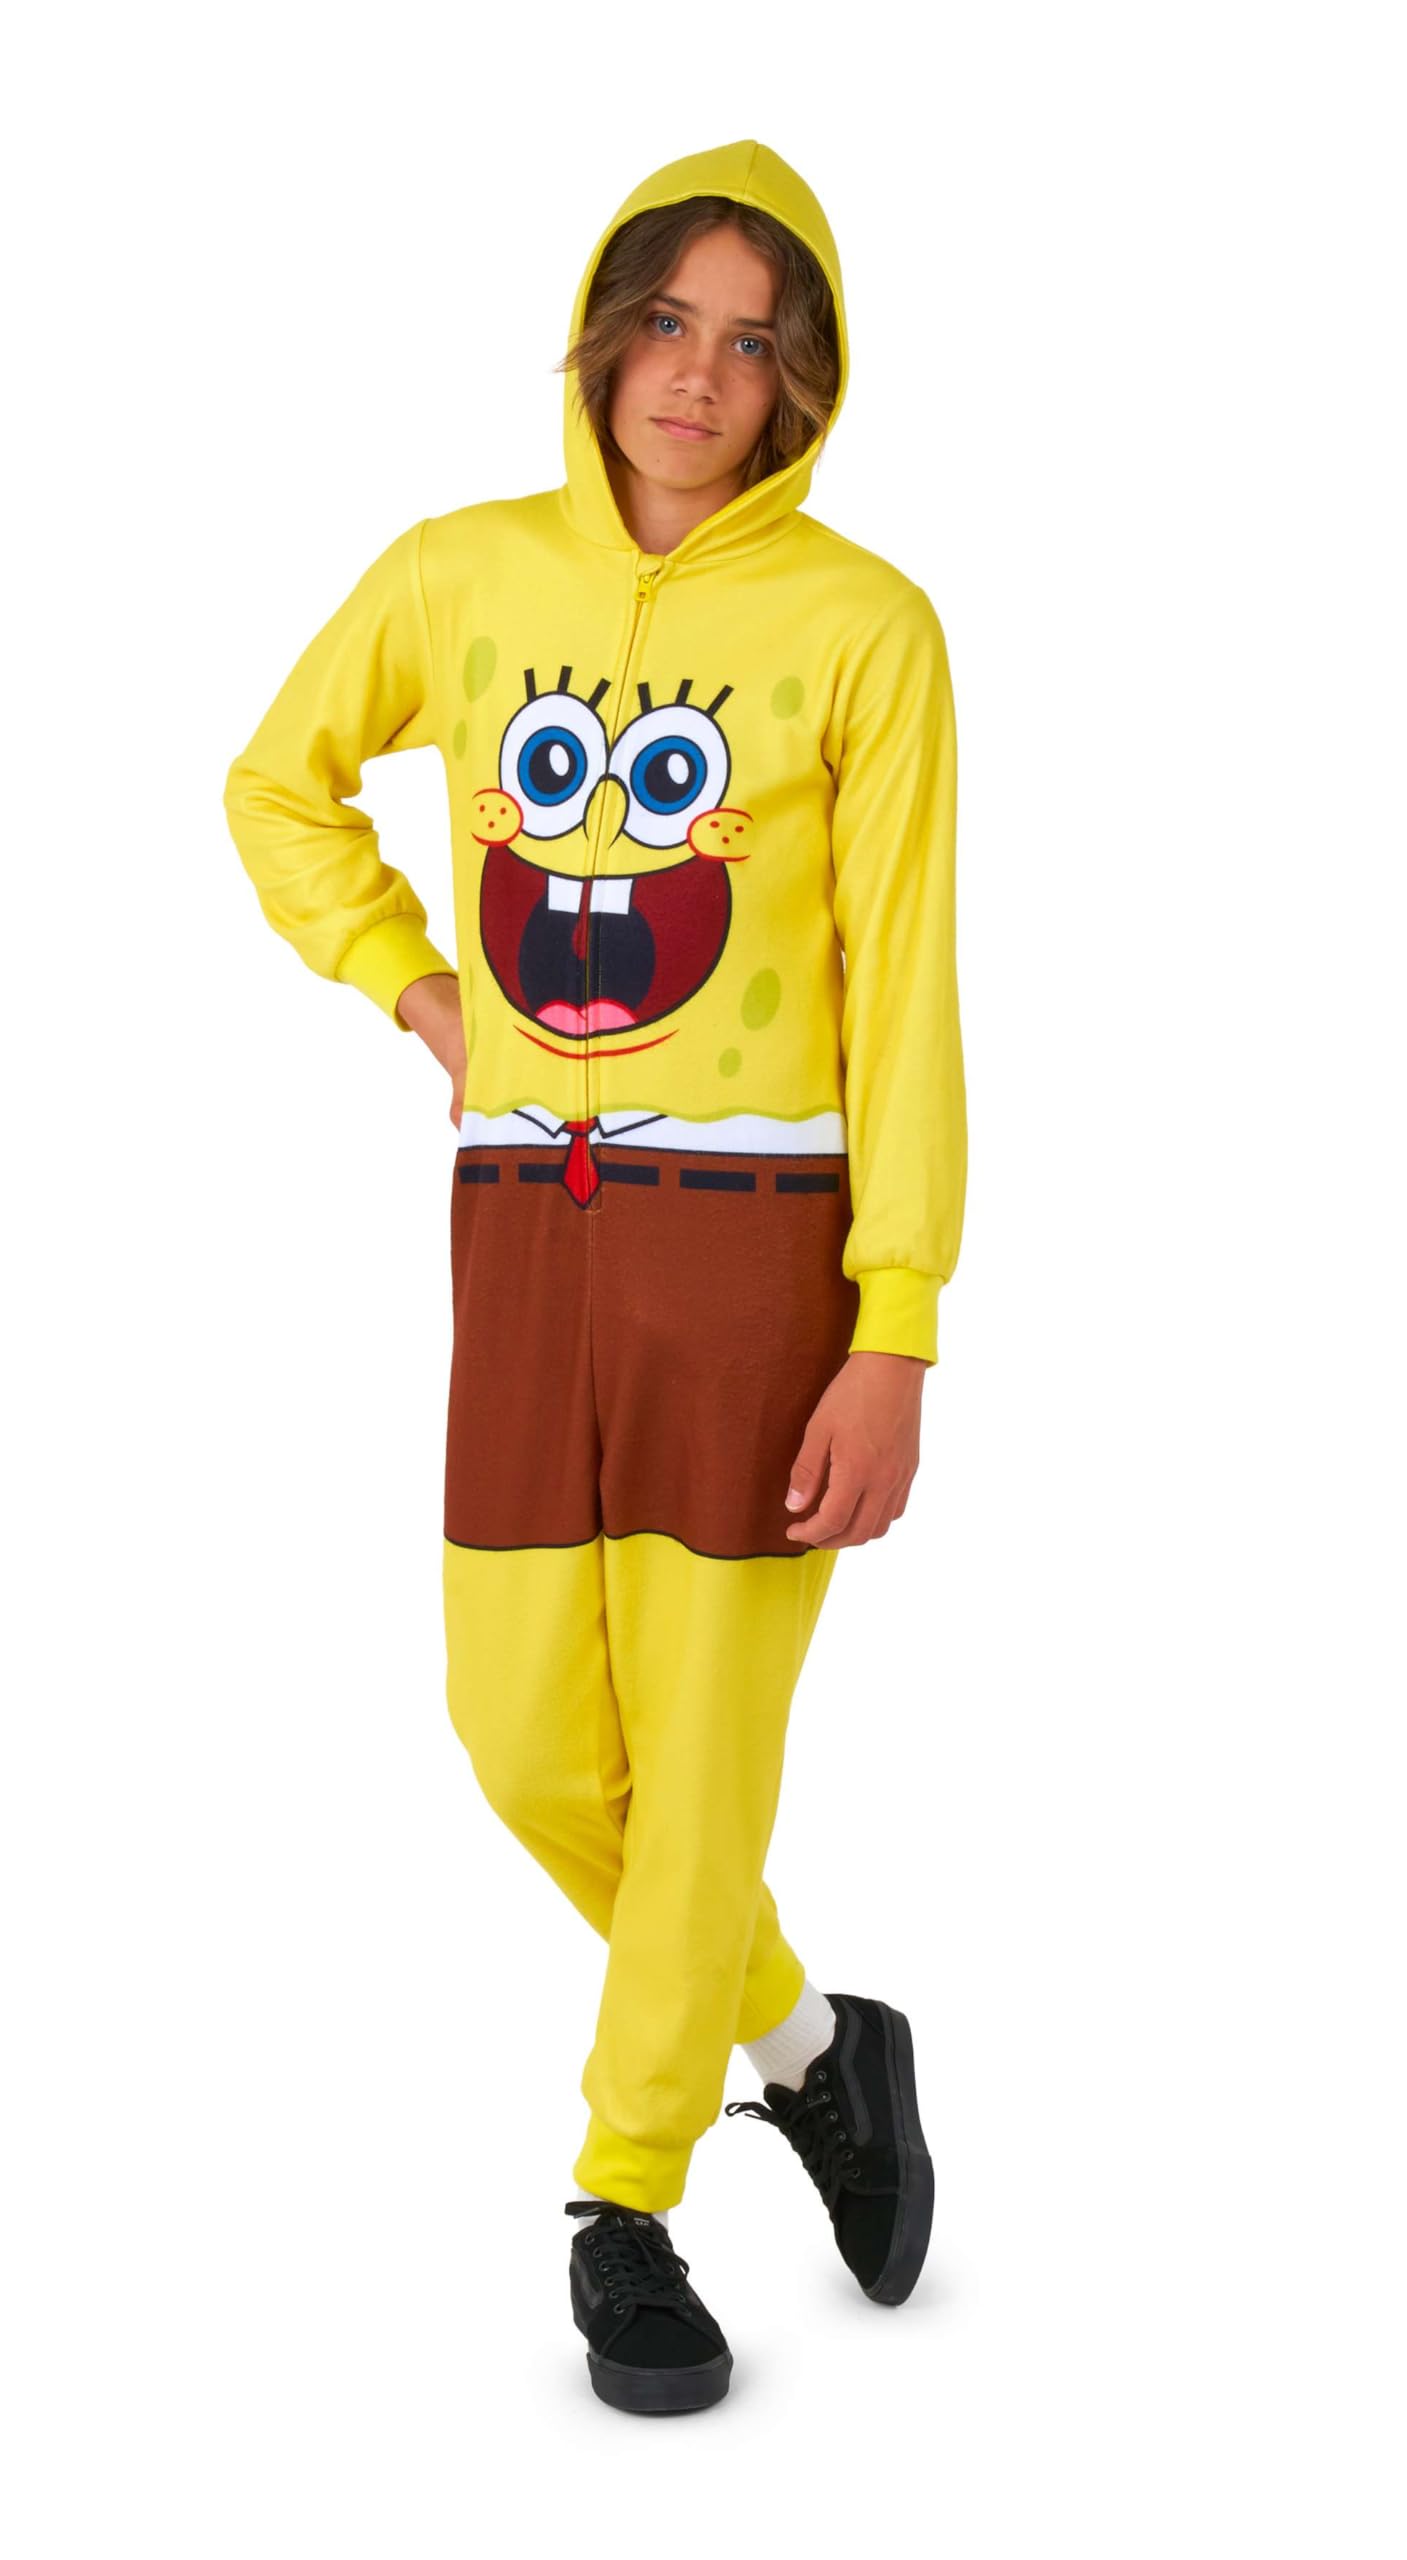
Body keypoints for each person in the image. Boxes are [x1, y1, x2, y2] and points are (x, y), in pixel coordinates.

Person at [223, 136, 965, 2418]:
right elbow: (277, 785)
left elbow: (907, 988)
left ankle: (621, 2200)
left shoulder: (864, 627)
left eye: (751, 343)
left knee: (704, 1751)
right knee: (527, 1735)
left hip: (758, 1256)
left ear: (799, 383)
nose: (698, 375)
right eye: (667, 322)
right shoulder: (458, 575)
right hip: (523, 1231)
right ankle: (812, 2045)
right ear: (601, 330)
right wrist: (415, 985)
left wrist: (897, 1322)